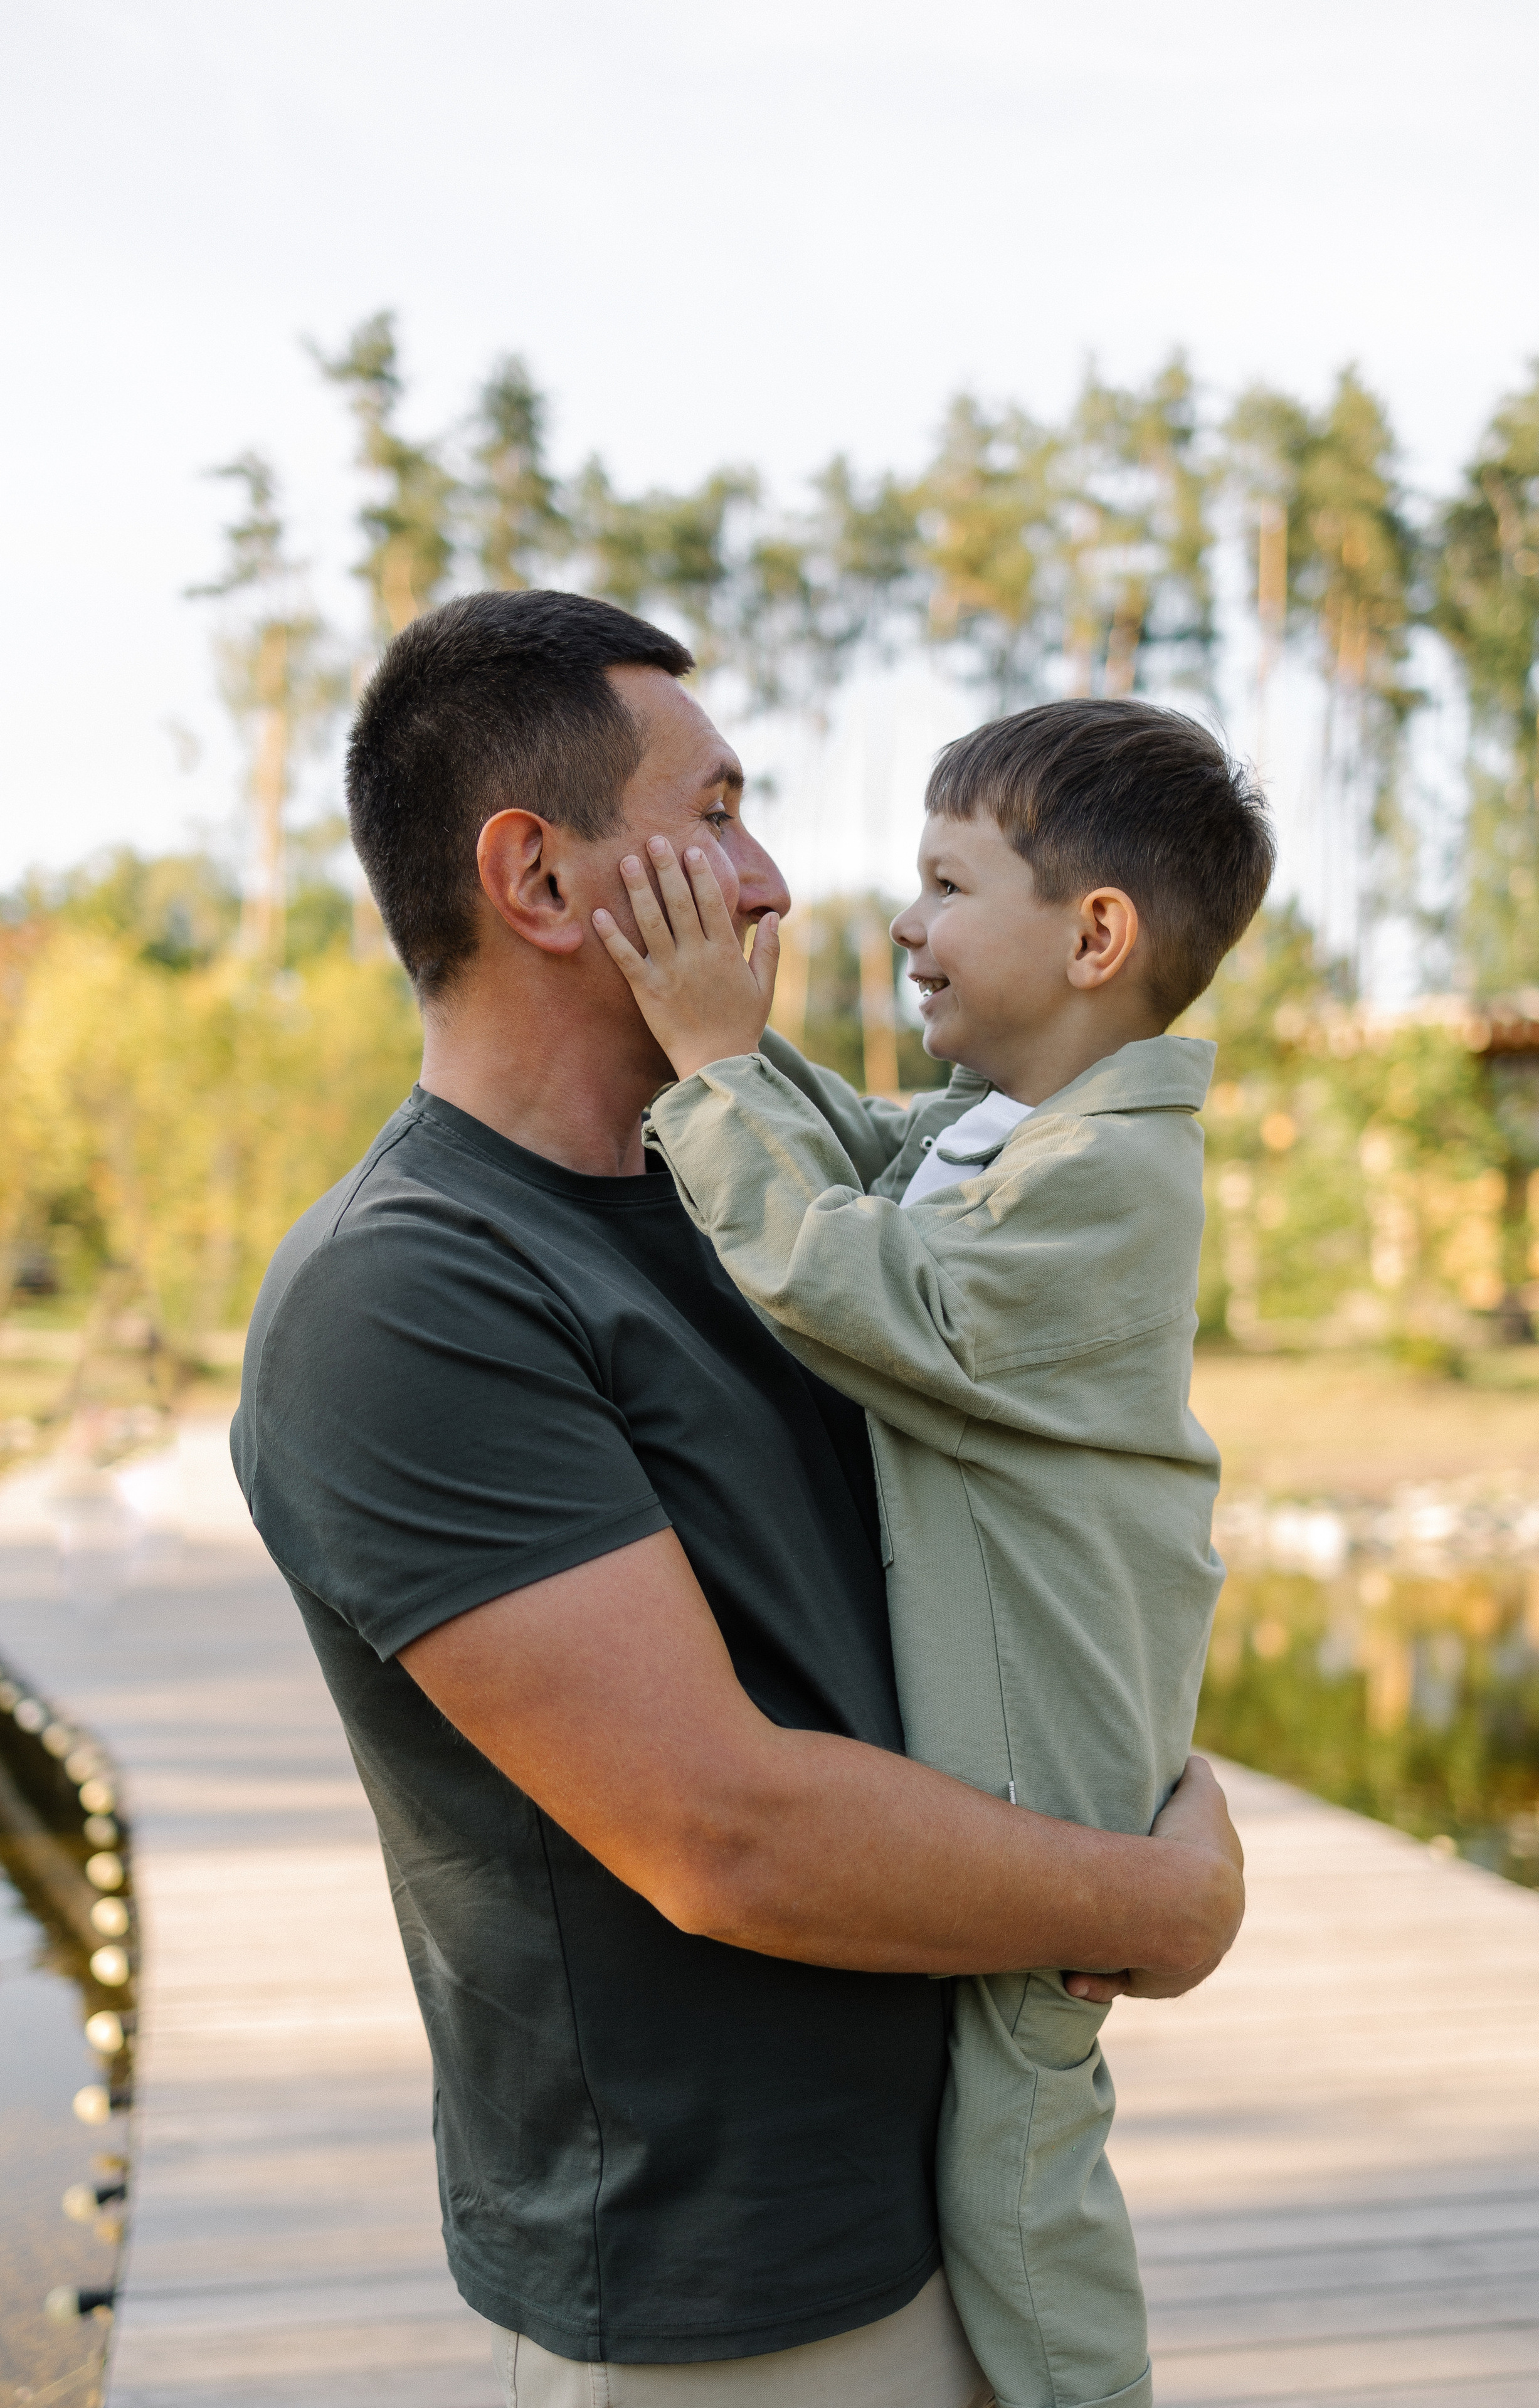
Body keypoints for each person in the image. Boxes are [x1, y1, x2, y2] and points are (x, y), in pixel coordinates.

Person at [231, 591, 1245, 2408]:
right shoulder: (408, 1297)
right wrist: (1150, 1901)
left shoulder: (733, 1194)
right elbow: (723, 1829)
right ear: (538, 884)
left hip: (951, 2210)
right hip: (737, 2305)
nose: (773, 883)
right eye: (712, 818)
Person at [594, 695, 1274, 2408]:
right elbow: (852, 1164)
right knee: (999, 2094)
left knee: (1025, 2139)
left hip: (1055, 1711)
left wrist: (707, 1070)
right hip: (1020, 1684)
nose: (904, 921)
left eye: (947, 883)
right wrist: (723, 1049)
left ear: (1097, 935)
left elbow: (872, 1291)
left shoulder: (1118, 1175)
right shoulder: (998, 1133)